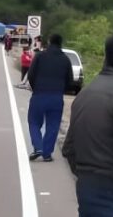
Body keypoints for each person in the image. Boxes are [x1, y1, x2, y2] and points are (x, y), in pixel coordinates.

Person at [62, 35, 113, 217]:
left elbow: (68, 148)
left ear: (106, 58)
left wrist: (85, 177)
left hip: (86, 189)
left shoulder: (85, 93)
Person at [26, 34, 74, 163]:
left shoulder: (40, 56)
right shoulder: (65, 60)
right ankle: (47, 154)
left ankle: (38, 147)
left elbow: (31, 74)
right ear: (61, 43)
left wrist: (36, 88)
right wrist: (61, 90)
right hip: (56, 97)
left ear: (49, 41)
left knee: (34, 122)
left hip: (39, 94)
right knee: (53, 125)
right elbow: (70, 81)